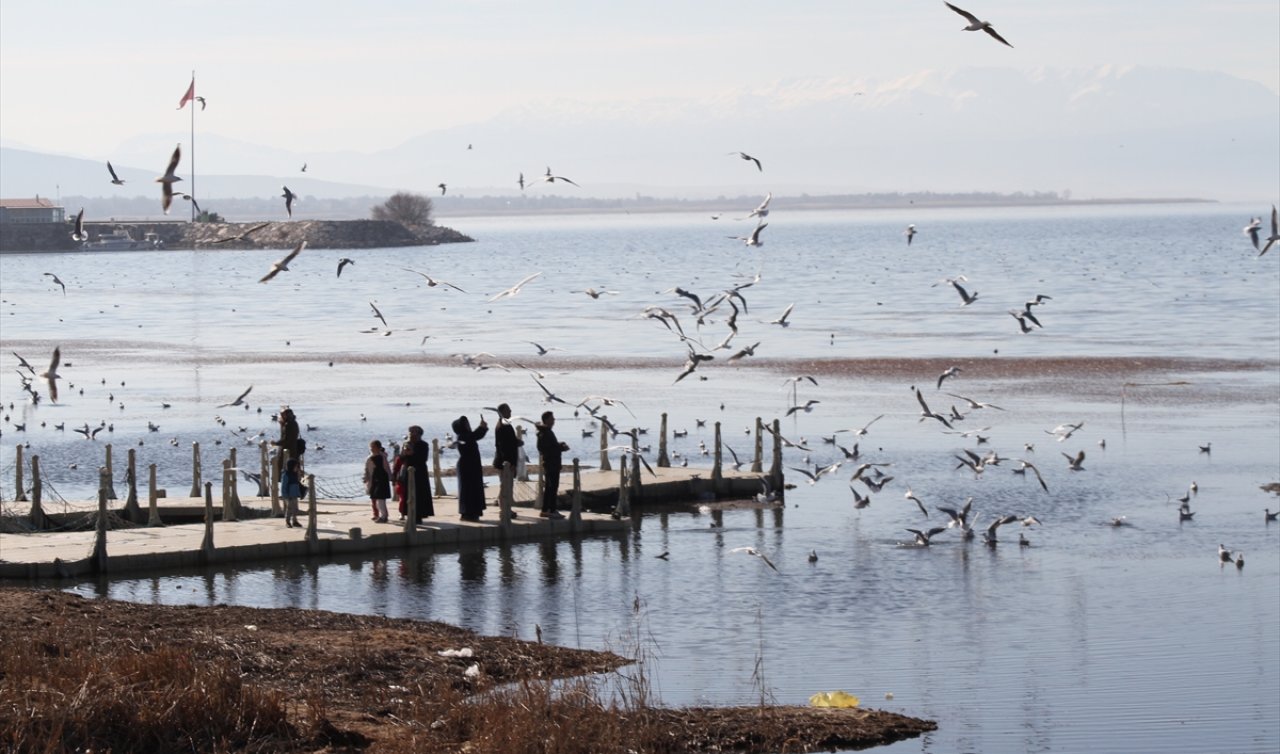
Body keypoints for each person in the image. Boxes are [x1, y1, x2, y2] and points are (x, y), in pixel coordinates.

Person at [452, 415, 489, 521]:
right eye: (465, 424)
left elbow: (474, 436)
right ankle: (467, 513)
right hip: (466, 467)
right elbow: (474, 436)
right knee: (467, 490)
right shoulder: (462, 437)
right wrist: (482, 428)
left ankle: (474, 512)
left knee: (475, 489)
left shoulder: (467, 436)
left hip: (473, 466)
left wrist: (482, 428)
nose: (468, 425)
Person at [535, 410, 569, 518]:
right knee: (552, 487)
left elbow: (551, 446)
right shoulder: (545, 432)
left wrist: (559, 445)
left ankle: (547, 509)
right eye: (552, 418)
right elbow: (545, 448)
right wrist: (561, 448)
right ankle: (550, 510)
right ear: (546, 420)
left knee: (551, 487)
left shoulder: (546, 432)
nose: (554, 420)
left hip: (552, 463)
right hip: (551, 464)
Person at [405, 425, 433, 520]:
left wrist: (413, 453)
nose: (411, 434)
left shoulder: (423, 445)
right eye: (410, 432)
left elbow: (423, 459)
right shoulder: (406, 444)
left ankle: (419, 515)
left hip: (420, 472)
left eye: (414, 432)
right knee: (408, 494)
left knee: (420, 494)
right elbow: (401, 458)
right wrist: (404, 453)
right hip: (408, 471)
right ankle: (408, 514)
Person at [364, 439, 392, 523]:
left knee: (381, 498)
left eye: (373, 447)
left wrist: (390, 477)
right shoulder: (370, 457)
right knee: (376, 498)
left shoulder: (381, 457)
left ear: (378, 448)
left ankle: (384, 516)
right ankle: (381, 515)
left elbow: (386, 467)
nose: (371, 448)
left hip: (381, 479)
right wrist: (366, 478)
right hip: (374, 480)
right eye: (371, 447)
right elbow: (367, 469)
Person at [492, 403, 523, 475]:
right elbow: (504, 446)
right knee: (507, 485)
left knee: (508, 484)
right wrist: (511, 463)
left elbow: (510, 441)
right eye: (508, 410)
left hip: (506, 462)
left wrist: (517, 442)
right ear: (503, 412)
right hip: (506, 463)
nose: (510, 411)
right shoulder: (503, 426)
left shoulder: (505, 424)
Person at [272, 407, 302, 473]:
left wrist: (275, 443)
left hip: (288, 451)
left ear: (286, 416)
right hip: (293, 450)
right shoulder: (293, 422)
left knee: (286, 470)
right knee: (292, 469)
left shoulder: (288, 424)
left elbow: (286, 440)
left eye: (282, 415)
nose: (281, 417)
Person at [280, 457, 303, 528]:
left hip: (295, 494)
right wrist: (285, 495)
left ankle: (295, 521)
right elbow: (284, 486)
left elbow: (298, 483)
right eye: (295, 466)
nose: (296, 468)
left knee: (295, 509)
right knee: (289, 509)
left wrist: (299, 474)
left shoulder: (295, 474)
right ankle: (287, 522)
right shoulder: (286, 475)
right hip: (288, 495)